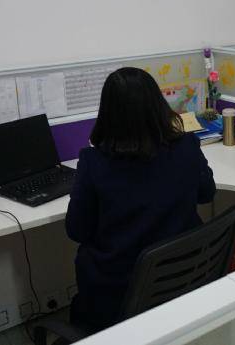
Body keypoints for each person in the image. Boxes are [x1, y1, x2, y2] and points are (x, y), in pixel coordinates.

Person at [65, 67, 216, 333]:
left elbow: (77, 230)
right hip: (183, 278)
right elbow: (207, 193)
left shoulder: (94, 163)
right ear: (158, 104)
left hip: (119, 294)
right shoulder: (186, 146)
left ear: (108, 114)